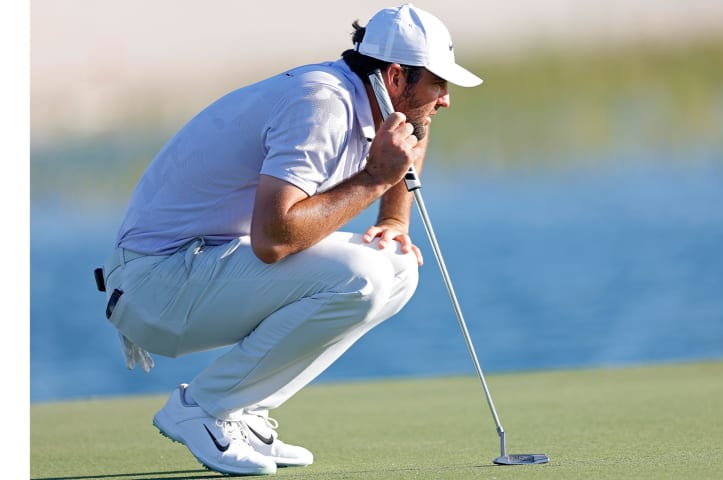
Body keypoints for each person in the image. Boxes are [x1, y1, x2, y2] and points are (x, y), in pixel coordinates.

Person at [94, 2, 482, 476]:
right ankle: (202, 408)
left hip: (196, 269)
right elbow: (273, 241)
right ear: (397, 77)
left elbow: (412, 137)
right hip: (156, 287)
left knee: (395, 264)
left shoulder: (375, 96)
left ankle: (243, 410)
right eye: (438, 84)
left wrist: (395, 220)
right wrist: (376, 179)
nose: (445, 99)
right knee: (365, 276)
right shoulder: (322, 105)